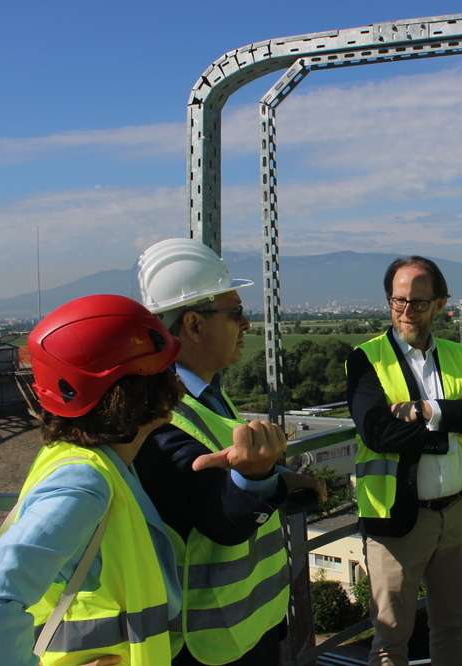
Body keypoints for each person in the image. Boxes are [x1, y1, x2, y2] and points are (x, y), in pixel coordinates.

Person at [133, 238, 326, 666]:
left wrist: (277, 479)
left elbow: (221, 470)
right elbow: (215, 513)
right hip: (208, 646)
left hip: (247, 629)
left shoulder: (206, 396)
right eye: (235, 312)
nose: (247, 324)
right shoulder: (155, 418)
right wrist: (255, 477)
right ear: (193, 325)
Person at [0, 294, 184, 666]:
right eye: (165, 368)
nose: (176, 380)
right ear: (133, 390)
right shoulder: (83, 483)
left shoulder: (99, 463)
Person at [346, 256, 462, 666]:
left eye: (418, 302)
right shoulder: (366, 359)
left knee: (451, 627)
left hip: (459, 514)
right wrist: (453, 418)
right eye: (398, 301)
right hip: (397, 521)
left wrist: (425, 411)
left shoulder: (458, 354)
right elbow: (377, 432)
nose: (406, 311)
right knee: (390, 639)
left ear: (440, 304)